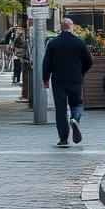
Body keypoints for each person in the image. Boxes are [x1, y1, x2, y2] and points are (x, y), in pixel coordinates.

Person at [42, 17, 93, 148]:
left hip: (58, 79)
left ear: (61, 28)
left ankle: (63, 139)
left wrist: (45, 78)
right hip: (75, 78)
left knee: (60, 108)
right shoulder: (79, 42)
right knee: (76, 103)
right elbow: (88, 61)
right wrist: (80, 71)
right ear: (72, 27)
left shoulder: (53, 43)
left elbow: (46, 61)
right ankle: (74, 119)